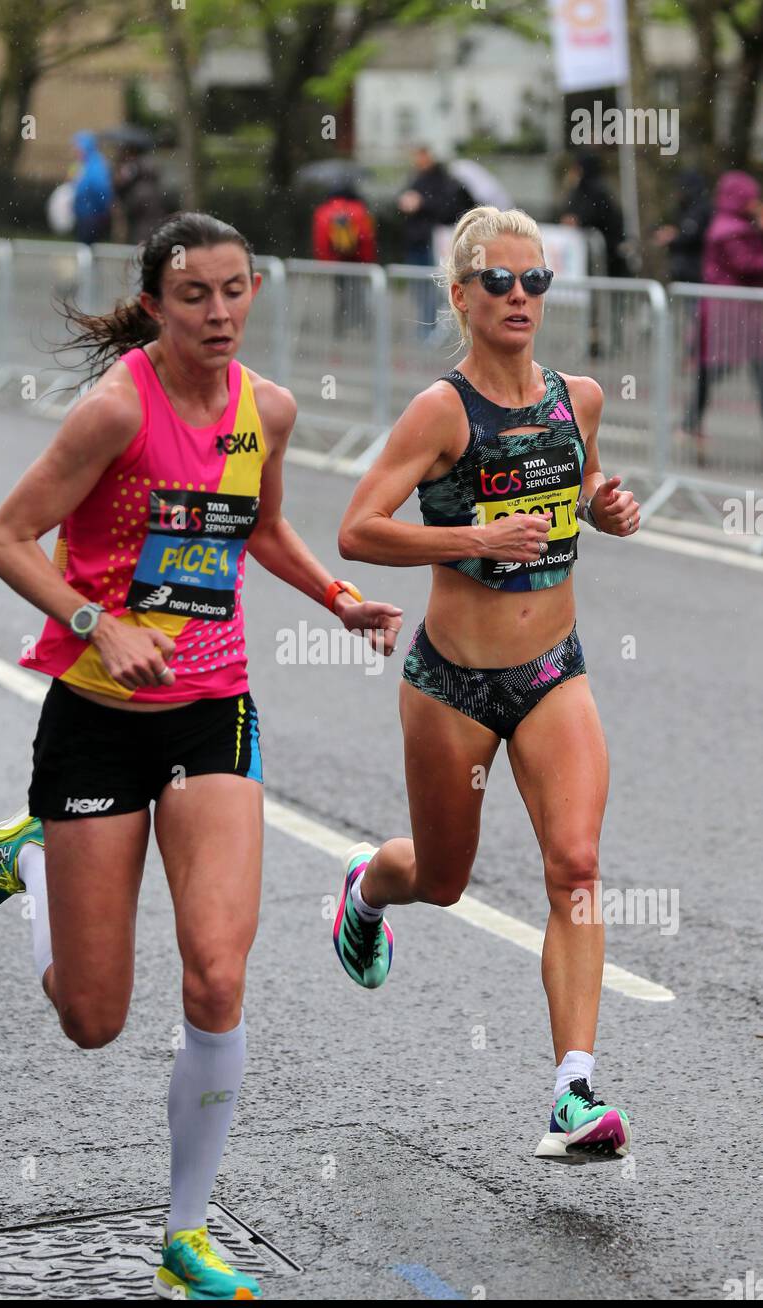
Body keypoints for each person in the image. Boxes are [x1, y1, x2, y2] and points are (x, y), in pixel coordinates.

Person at [0, 211, 402, 1299]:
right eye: (193, 295)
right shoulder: (114, 409)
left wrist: (336, 595)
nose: (217, 313)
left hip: (214, 713)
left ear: (255, 290)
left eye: (233, 290)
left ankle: (183, 1234)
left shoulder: (269, 409)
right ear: (154, 302)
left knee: (216, 973)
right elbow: (4, 536)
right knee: (93, 1018)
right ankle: (28, 862)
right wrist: (92, 620)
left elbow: (256, 526)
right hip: (99, 714)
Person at [332, 205, 641, 1163]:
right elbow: (357, 528)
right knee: (444, 879)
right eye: (499, 282)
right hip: (451, 687)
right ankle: (369, 888)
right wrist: (473, 538)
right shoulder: (442, 411)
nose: (520, 297)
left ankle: (573, 1093)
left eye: (535, 280)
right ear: (461, 295)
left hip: (554, 672)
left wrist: (607, 505)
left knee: (577, 868)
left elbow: (582, 484)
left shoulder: (576, 396)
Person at [684, 170, 763, 435]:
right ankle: (690, 423)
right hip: (730, 312)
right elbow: (747, 264)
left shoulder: (730, 224)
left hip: (735, 311)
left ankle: (690, 423)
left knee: (716, 370)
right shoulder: (731, 230)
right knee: (718, 368)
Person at [398, 147, 472, 338]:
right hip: (414, 239)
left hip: (429, 240)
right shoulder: (415, 178)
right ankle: (427, 326)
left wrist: (421, 203)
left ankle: (431, 327)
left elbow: (445, 206)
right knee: (418, 287)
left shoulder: (440, 180)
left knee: (430, 286)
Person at [311, 181, 377, 335]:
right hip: (357, 261)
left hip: (336, 261)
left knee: (340, 293)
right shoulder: (359, 210)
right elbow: (367, 237)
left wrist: (325, 262)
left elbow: (320, 240)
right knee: (358, 293)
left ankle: (340, 326)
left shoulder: (323, 211)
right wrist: (368, 260)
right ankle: (360, 326)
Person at [653, 170, 711, 284]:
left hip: (695, 272)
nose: (678, 192)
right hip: (686, 272)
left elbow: (690, 235)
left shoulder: (699, 209)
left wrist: (672, 238)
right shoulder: (684, 208)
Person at [113, 142, 166, 245]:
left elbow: (130, 207)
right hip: (152, 225)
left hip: (140, 229)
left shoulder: (138, 188)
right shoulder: (152, 185)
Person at [71, 130, 113, 245]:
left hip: (92, 216)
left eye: (76, 147)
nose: (74, 150)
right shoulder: (85, 164)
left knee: (88, 250)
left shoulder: (95, 164)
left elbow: (100, 189)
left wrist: (99, 210)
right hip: (86, 214)